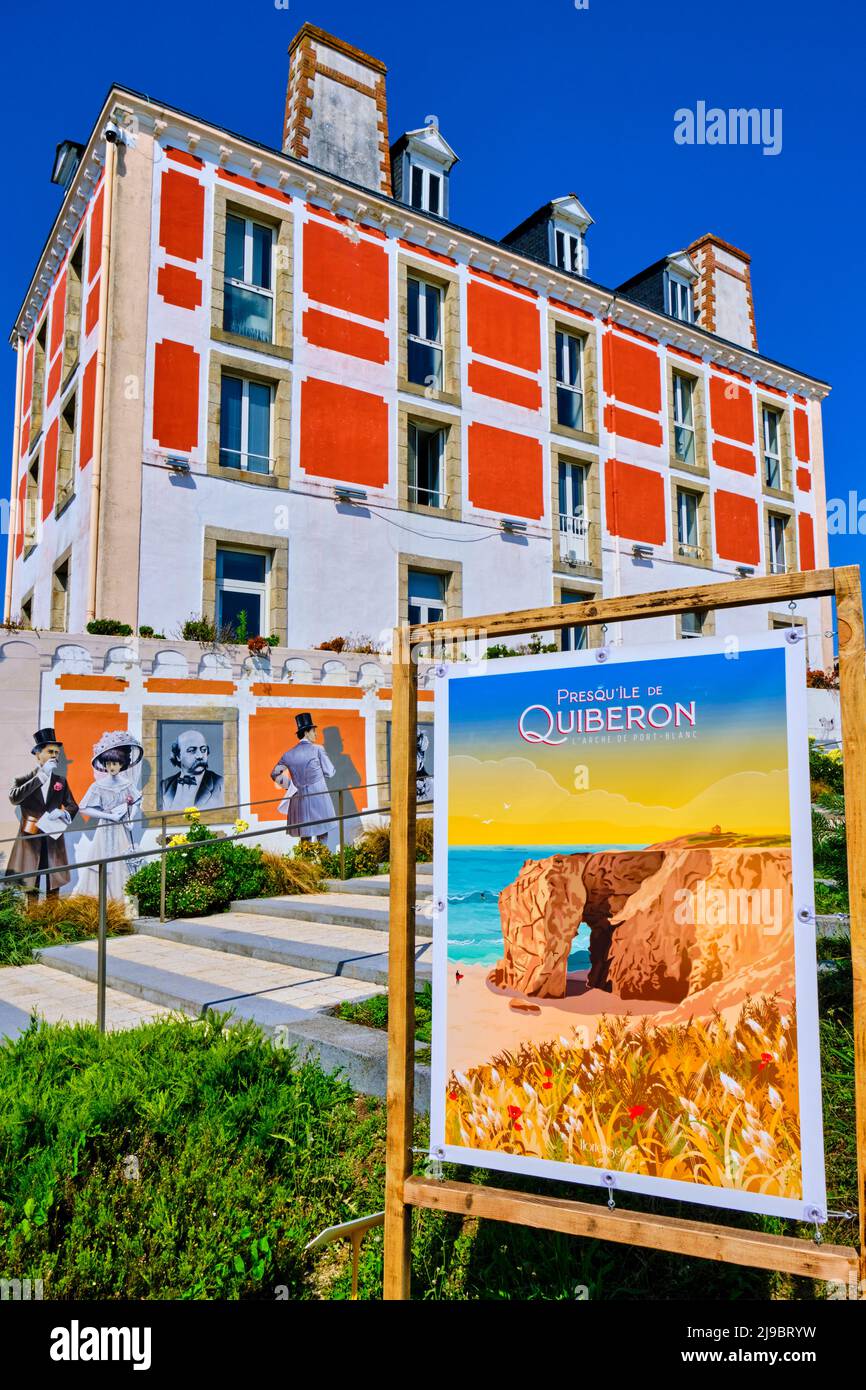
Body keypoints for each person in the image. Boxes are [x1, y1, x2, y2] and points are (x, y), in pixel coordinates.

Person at [7, 728, 79, 905]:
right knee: (31, 881)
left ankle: (51, 919)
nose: (54, 755)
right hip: (31, 838)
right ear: (38, 755)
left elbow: (73, 805)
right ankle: (32, 918)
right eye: (50, 752)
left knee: (54, 881)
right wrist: (41, 777)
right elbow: (14, 798)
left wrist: (62, 813)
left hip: (53, 838)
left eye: (57, 752)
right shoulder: (23, 779)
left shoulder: (60, 781)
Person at [76, 732, 144, 900]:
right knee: (101, 861)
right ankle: (100, 902)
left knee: (121, 863)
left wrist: (130, 818)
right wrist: (107, 815)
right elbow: (83, 808)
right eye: (108, 763)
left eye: (115, 763)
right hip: (104, 829)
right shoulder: (98, 786)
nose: (111, 767)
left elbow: (135, 802)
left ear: (121, 764)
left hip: (121, 829)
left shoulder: (127, 784)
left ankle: (122, 900)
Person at [271, 713, 337, 846]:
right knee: (322, 835)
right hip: (319, 797)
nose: (316, 734)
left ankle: (305, 866)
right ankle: (324, 864)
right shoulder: (318, 749)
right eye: (314, 731)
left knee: (304, 838)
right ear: (306, 732)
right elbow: (330, 772)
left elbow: (274, 774)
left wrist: (290, 785)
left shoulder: (288, 754)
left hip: (299, 799)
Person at [160, 729, 224, 811]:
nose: (200, 756)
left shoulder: (221, 785)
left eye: (203, 750)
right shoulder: (164, 786)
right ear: (178, 756)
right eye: (192, 750)